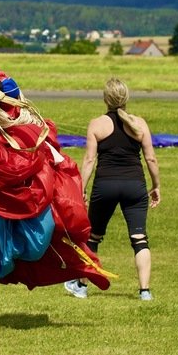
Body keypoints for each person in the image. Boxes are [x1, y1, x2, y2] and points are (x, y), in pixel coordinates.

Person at [64, 78, 161, 301]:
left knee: (92, 237)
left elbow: (89, 161)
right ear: (126, 98)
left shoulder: (97, 124)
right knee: (139, 238)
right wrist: (156, 185)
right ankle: (145, 291)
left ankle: (81, 285)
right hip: (135, 186)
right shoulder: (139, 124)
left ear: (106, 99)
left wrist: (80, 188)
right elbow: (151, 159)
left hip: (105, 186)